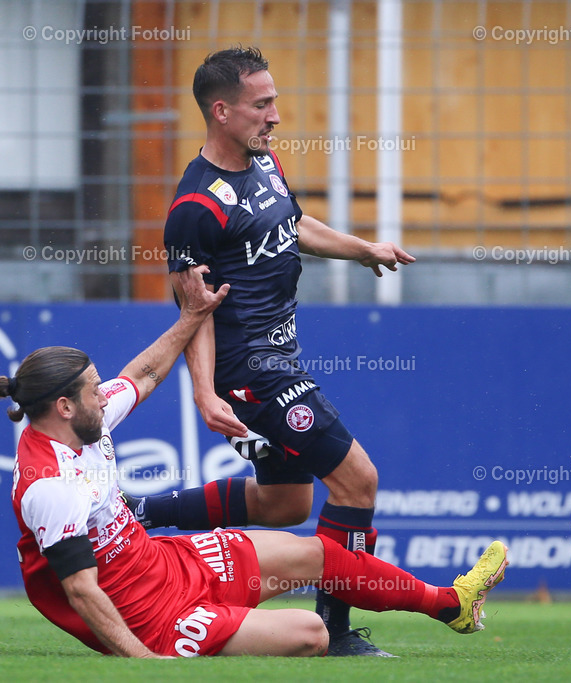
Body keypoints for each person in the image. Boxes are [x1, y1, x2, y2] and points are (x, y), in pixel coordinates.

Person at [0, 266, 509, 657]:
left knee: (314, 554)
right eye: (93, 392)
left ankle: (453, 604)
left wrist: (192, 316)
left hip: (168, 562)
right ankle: (230, 624)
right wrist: (143, 661)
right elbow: (81, 591)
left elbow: (146, 373)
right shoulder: (48, 484)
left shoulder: (87, 420)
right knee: (313, 633)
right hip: (151, 618)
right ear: (63, 407)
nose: (104, 397)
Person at [133, 46, 416, 655]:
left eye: (274, 101)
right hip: (249, 372)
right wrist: (205, 391)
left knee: (285, 505)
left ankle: (139, 511)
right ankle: (336, 633)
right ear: (222, 111)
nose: (275, 116)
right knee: (357, 482)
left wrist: (362, 247)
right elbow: (194, 312)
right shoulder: (194, 207)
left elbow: (295, 223)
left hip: (280, 358)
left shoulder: (265, 165)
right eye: (262, 105)